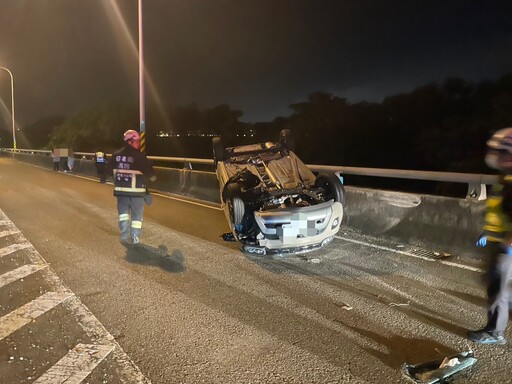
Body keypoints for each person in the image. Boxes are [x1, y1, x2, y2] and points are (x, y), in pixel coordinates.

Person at [467, 127, 512, 345]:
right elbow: (498, 214)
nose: (496, 157)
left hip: (505, 246)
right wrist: (488, 232)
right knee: (497, 284)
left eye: (502, 153)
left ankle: (495, 333)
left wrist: (507, 245)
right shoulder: (505, 179)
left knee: (496, 286)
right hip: (497, 241)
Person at [109, 130, 155, 245]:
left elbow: (108, 171)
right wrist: (153, 179)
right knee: (137, 216)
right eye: (137, 141)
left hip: (121, 193)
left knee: (123, 214)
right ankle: (135, 236)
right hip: (137, 194)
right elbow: (150, 174)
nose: (138, 143)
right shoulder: (139, 156)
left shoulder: (115, 156)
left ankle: (124, 233)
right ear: (130, 141)